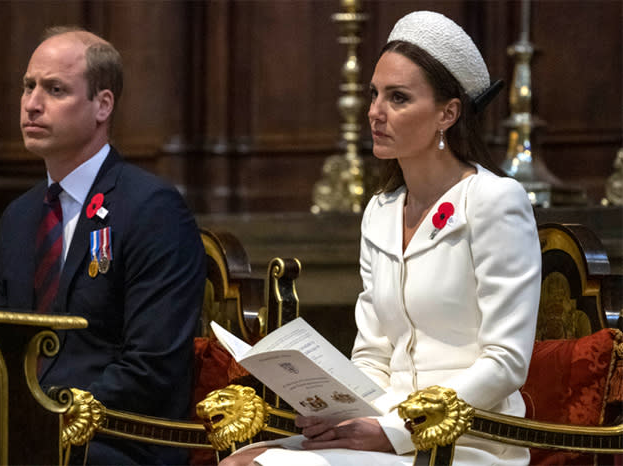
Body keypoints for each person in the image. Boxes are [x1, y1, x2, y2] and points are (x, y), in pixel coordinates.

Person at [221, 10, 541, 466]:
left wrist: (392, 431)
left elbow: (506, 363)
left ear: (448, 114)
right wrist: (336, 410)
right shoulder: (381, 211)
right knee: (242, 458)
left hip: (465, 442)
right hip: (381, 428)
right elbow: (372, 354)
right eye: (375, 94)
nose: (374, 112)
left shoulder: (494, 200)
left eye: (398, 98)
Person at [0, 26, 206, 465]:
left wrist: (47, 412)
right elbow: (4, 348)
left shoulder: (151, 208)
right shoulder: (19, 217)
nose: (33, 104)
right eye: (28, 87)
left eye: (55, 90)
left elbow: (152, 367)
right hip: (32, 432)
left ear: (102, 105)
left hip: (120, 437)